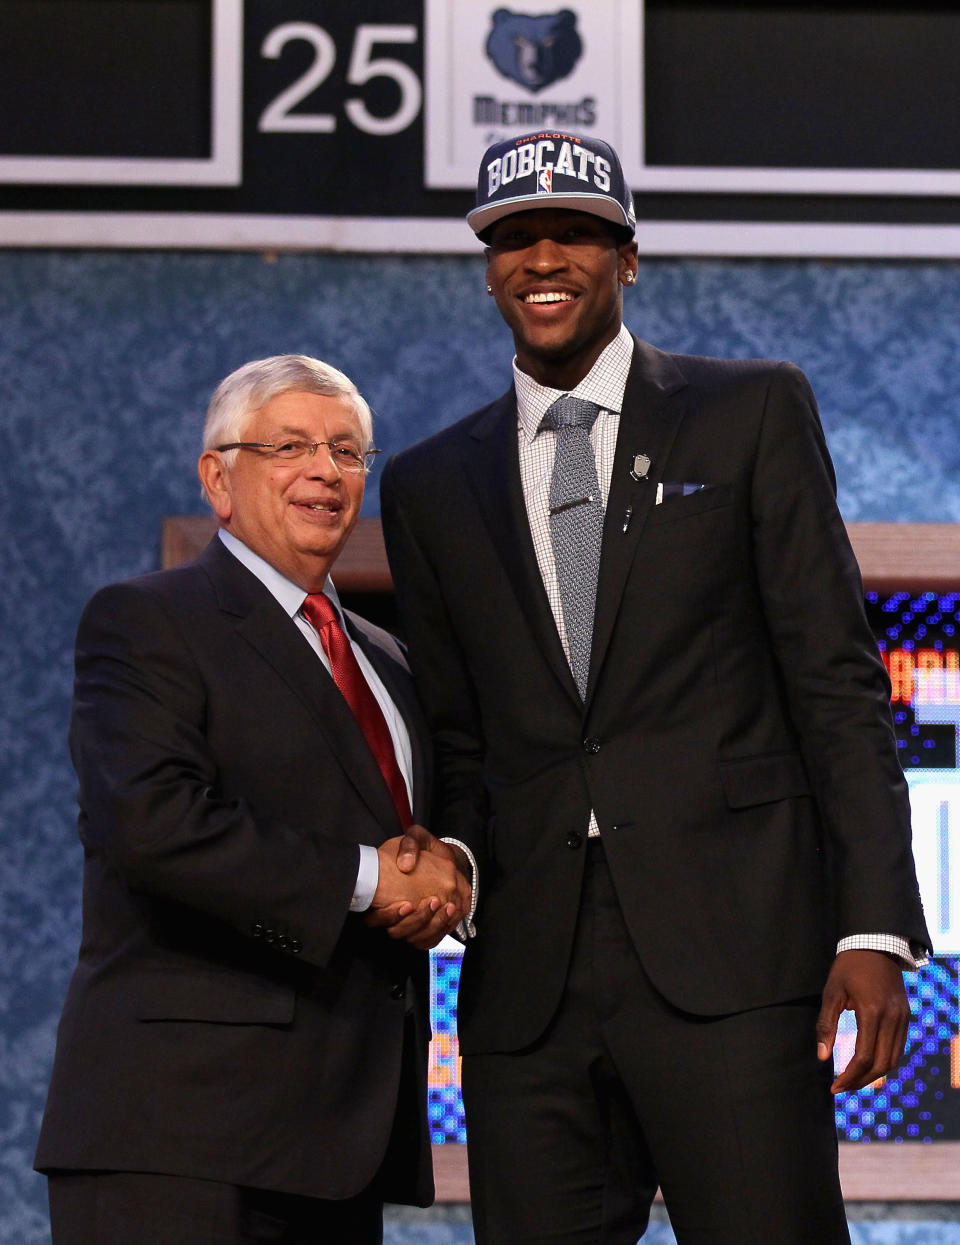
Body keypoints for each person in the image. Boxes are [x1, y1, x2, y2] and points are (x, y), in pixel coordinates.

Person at [379, 133, 931, 1244]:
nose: (545, 258)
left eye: (576, 233)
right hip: (525, 994)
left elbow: (836, 686)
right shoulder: (430, 484)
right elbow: (461, 738)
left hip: (735, 965)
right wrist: (448, 863)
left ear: (628, 258)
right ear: (487, 268)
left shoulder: (751, 412)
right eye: (515, 237)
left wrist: (871, 928)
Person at [35, 354, 472, 1245]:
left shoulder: (389, 660)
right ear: (218, 478)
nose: (326, 469)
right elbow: (150, 823)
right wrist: (366, 879)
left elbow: (416, 840)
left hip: (341, 1140)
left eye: (349, 452)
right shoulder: (147, 620)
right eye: (291, 445)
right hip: (179, 1136)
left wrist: (453, 877)